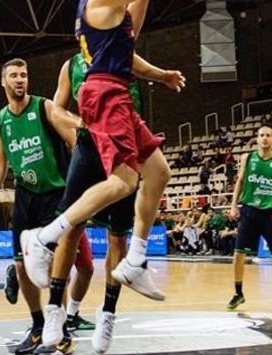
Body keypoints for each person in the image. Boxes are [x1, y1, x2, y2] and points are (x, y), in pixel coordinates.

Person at [21, 0, 238, 316]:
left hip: (114, 90)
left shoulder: (107, 12)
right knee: (124, 181)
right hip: (106, 96)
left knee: (159, 171)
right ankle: (44, 238)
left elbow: (138, 11)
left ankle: (135, 259)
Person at [41, 37, 184, 348]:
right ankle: (55, 308)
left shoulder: (121, 54)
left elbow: (141, 72)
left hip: (123, 144)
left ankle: (107, 314)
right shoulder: (71, 66)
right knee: (72, 228)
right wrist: (80, 121)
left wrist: (162, 75)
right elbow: (55, 110)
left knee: (118, 235)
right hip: (89, 146)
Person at [0, 58, 80, 354]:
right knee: (21, 266)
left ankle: (62, 332)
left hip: (55, 195)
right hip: (25, 197)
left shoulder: (44, 107)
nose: (20, 80)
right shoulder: (1, 120)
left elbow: (73, 142)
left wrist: (79, 180)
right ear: (3, 81)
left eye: (24, 75)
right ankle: (37, 326)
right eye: (14, 76)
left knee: (57, 265)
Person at [226, 126, 272, 314]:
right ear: (257, 139)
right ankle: (238, 293)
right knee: (238, 254)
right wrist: (233, 205)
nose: (264, 138)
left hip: (269, 214)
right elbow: (239, 182)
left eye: (268, 135)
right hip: (248, 211)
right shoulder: (247, 158)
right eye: (261, 135)